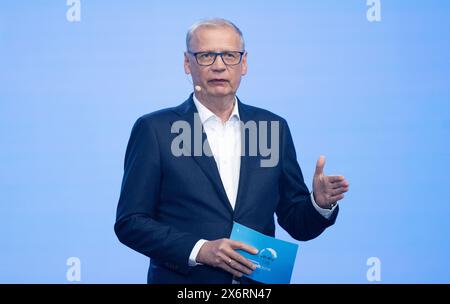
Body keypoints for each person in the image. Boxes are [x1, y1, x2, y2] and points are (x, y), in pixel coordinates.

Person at [114, 18, 349, 284]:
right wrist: (201, 250)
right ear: (186, 63)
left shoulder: (272, 128)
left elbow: (297, 223)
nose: (218, 65)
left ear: (244, 63)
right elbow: (130, 222)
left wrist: (319, 203)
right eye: (205, 55)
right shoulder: (155, 129)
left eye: (229, 55)